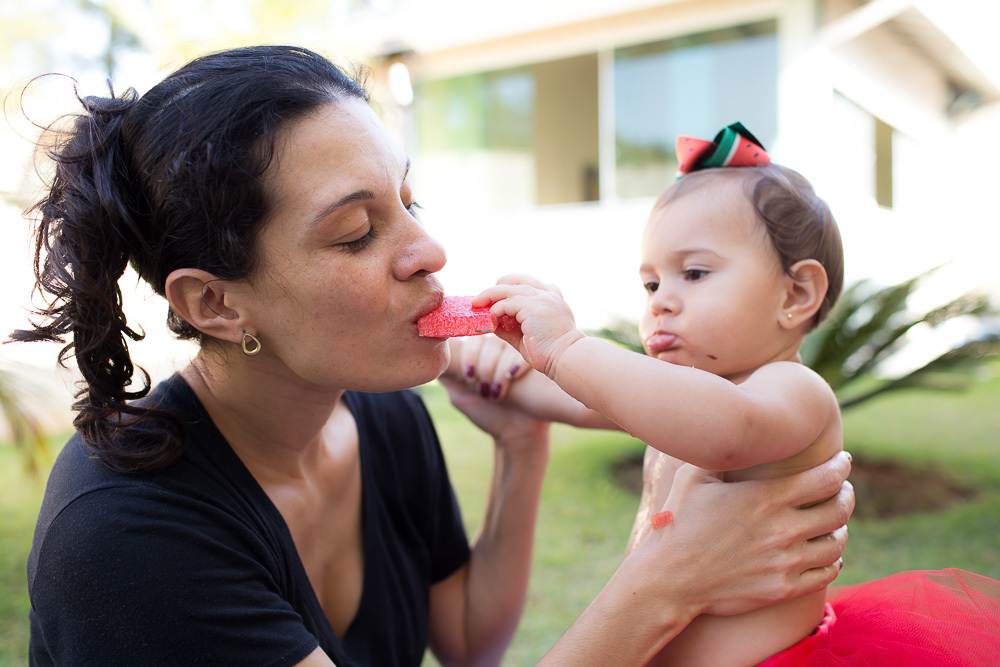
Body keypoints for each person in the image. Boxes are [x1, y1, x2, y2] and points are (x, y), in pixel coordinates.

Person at [13, 50, 854, 666]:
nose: (429, 249)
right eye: (357, 231)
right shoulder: (126, 536)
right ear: (214, 303)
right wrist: (670, 577)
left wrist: (520, 443)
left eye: (408, 199)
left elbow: (467, 640)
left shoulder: (378, 410)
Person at [454, 124, 1000, 665]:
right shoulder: (675, 396)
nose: (662, 301)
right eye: (651, 283)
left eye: (693, 273)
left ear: (797, 292)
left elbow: (728, 434)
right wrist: (487, 364)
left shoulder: (792, 392)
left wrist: (569, 348)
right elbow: (576, 400)